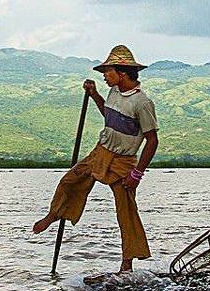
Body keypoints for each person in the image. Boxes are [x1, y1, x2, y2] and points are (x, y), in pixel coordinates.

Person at [32, 45, 159, 275]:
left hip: (123, 161)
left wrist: (137, 173)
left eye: (107, 71)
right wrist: (94, 95)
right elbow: (109, 115)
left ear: (121, 73)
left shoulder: (142, 103)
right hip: (101, 152)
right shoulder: (113, 93)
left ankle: (127, 264)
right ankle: (54, 214)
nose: (104, 75)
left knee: (126, 211)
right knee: (70, 180)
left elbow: (152, 140)